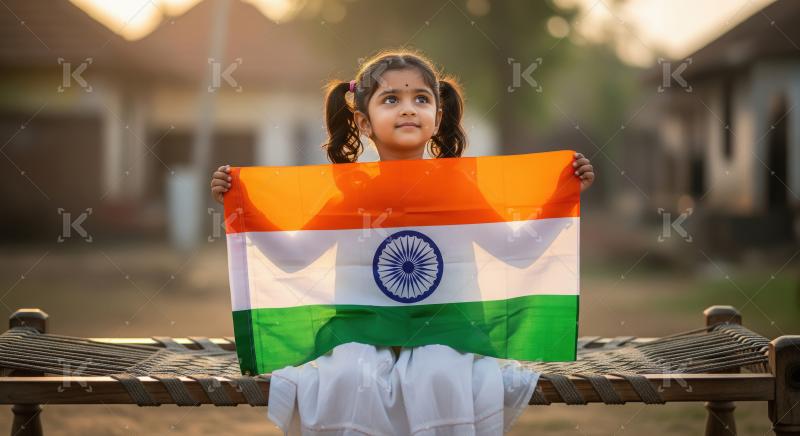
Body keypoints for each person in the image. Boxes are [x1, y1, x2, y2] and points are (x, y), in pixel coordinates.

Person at [211, 48, 595, 435]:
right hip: (360, 330)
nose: (408, 109)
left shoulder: (461, 190)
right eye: (391, 99)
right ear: (363, 122)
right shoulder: (349, 194)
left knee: (439, 373)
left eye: (421, 99)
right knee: (348, 376)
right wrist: (242, 207)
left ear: (438, 117)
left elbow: (516, 250)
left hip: (447, 329)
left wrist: (564, 193)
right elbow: (293, 257)